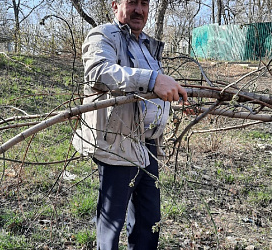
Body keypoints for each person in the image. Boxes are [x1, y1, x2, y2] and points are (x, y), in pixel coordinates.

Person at [74, 0, 188, 249]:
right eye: (132, 2)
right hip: (119, 143)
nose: (140, 10)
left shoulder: (147, 43)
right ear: (115, 5)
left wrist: (173, 95)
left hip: (149, 145)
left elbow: (151, 88)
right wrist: (153, 79)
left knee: (148, 221)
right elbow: (99, 71)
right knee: (111, 223)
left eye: (144, 3)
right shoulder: (102, 35)